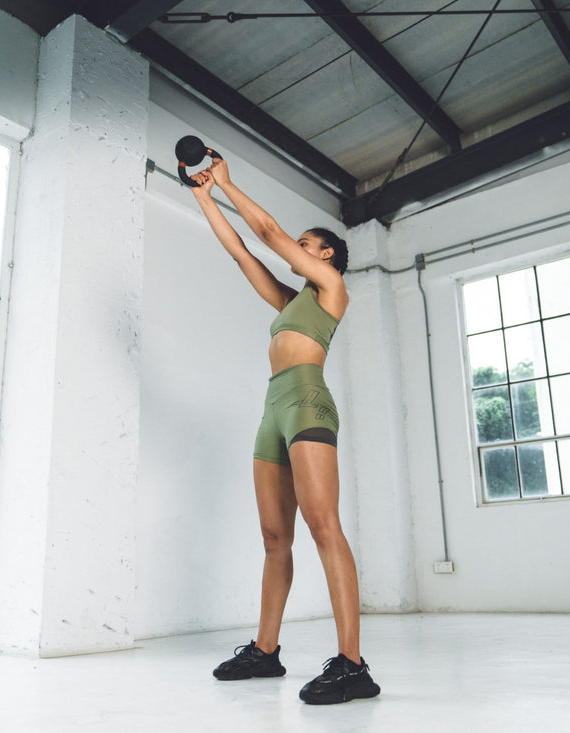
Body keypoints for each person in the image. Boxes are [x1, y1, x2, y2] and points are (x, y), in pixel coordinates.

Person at [188, 156, 380, 705]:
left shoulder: (331, 288)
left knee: (325, 527)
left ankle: (352, 664)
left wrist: (227, 183)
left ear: (325, 255)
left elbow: (268, 232)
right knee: (275, 538)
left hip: (307, 403)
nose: (295, 246)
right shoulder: (293, 301)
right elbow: (242, 252)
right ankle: (266, 652)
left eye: (306, 243)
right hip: (273, 407)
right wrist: (205, 198)